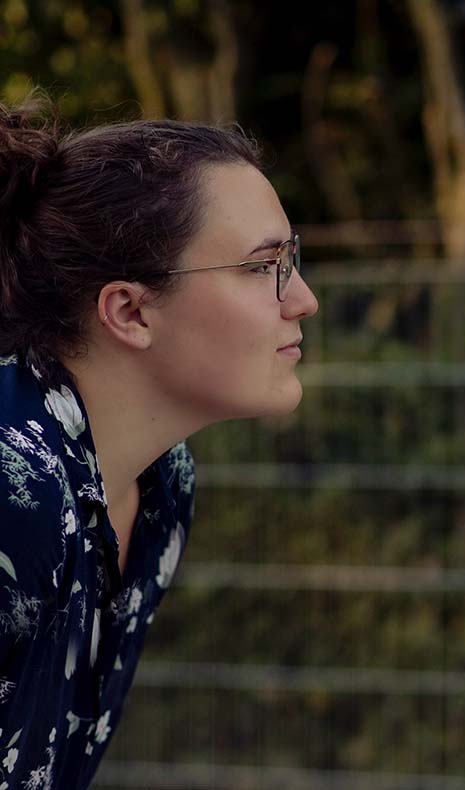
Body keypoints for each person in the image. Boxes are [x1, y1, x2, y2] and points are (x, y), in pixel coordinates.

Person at [0, 93, 319, 788]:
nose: (303, 299)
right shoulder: (12, 488)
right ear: (130, 311)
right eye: (262, 266)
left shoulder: (163, 485)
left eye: (290, 260)